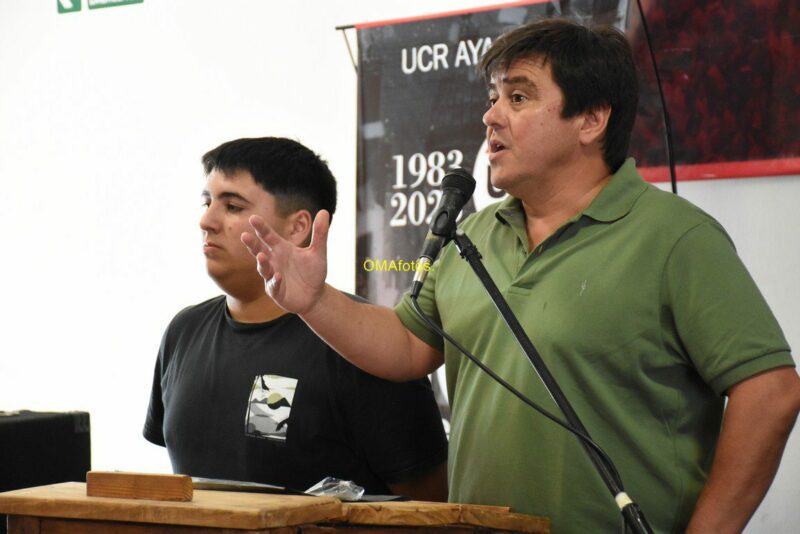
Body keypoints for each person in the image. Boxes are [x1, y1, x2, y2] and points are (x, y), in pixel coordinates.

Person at [241, 20, 800, 534]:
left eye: (519, 97)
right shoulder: (473, 234)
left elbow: (771, 391)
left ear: (591, 120)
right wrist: (313, 301)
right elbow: (408, 347)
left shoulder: (675, 237)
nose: (491, 116)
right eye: (493, 98)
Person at [143, 137, 448, 500]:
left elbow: (429, 503)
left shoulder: (365, 345)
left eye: (233, 206)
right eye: (207, 202)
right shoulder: (183, 332)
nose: (206, 221)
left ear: (297, 227)